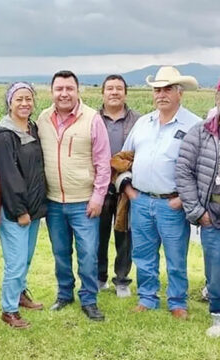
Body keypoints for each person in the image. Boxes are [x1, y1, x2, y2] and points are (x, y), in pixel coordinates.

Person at [120, 66, 201, 319]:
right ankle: (147, 298)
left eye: (167, 89)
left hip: (173, 204)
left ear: (180, 93)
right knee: (142, 254)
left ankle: (177, 302)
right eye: (157, 89)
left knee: (176, 256)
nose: (161, 94)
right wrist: (130, 192)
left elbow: (204, 167)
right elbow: (124, 159)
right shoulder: (143, 123)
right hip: (141, 200)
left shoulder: (194, 126)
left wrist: (183, 199)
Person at [37, 70, 111, 321]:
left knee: (88, 252)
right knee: (60, 252)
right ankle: (64, 294)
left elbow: (103, 163)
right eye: (59, 89)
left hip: (84, 202)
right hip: (54, 201)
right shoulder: (43, 119)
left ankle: (89, 299)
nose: (64, 93)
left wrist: (98, 196)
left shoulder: (92, 119)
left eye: (69, 88)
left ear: (78, 91)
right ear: (52, 92)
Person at [0, 82, 47, 329]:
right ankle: (9, 310)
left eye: (28, 99)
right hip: (17, 211)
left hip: (33, 208)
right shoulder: (5, 135)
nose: (24, 103)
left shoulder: (33, 128)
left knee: (25, 259)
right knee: (15, 262)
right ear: (9, 103)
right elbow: (8, 175)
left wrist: (34, 209)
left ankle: (20, 294)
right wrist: (20, 211)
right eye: (19, 99)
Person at [176, 97, 220, 336]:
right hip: (212, 214)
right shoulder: (200, 132)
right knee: (216, 269)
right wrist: (196, 211)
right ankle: (218, 317)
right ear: (217, 99)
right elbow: (183, 171)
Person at [97, 75, 140, 297]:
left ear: (125, 93)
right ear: (103, 92)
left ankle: (122, 280)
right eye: (110, 88)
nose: (114, 92)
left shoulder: (139, 120)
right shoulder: (92, 118)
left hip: (127, 187)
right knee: (98, 234)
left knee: (125, 235)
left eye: (119, 89)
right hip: (100, 186)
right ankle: (99, 277)